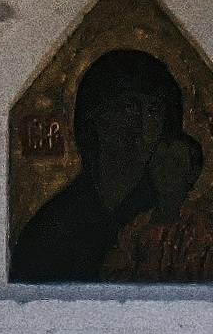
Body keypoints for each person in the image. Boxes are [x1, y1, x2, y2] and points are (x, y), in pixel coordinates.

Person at [10, 48, 183, 283]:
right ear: (97, 117)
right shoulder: (54, 225)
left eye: (153, 112)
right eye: (128, 107)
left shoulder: (172, 220)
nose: (142, 125)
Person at [101, 130, 213, 285]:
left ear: (193, 173)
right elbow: (113, 276)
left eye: (176, 163)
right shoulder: (136, 228)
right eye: (160, 162)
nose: (165, 171)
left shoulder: (203, 233)